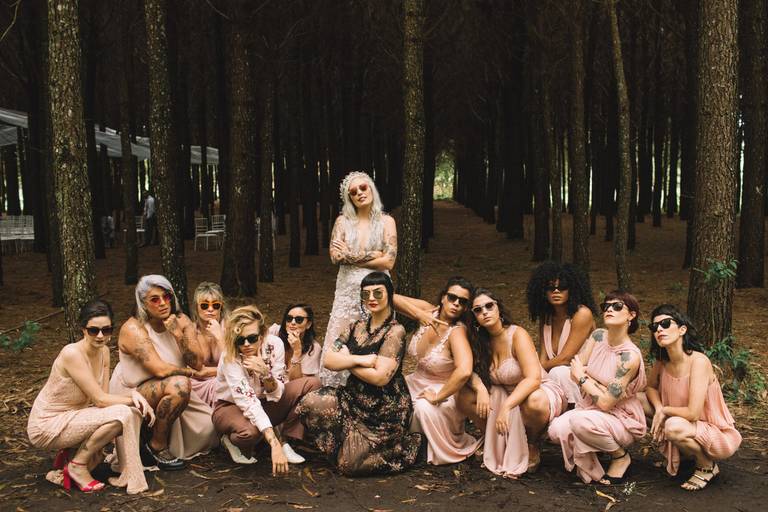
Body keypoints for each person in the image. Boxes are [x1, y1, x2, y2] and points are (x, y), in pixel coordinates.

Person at [297, 272, 422, 476]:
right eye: (366, 294)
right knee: (310, 403)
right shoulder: (354, 327)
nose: (371, 298)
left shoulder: (395, 331)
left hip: (385, 410)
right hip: (353, 398)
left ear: (389, 295)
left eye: (378, 293)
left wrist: (346, 360)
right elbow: (328, 360)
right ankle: (349, 449)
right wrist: (360, 360)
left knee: (350, 467)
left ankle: (405, 446)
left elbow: (380, 377)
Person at [27, 300, 155, 494]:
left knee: (131, 412)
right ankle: (77, 465)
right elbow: (100, 400)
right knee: (124, 411)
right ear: (83, 329)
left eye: (107, 330)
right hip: (47, 424)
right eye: (94, 330)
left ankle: (127, 472)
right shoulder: (72, 353)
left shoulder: (104, 352)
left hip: (75, 415)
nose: (101, 336)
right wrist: (134, 397)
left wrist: (133, 399)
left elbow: (104, 401)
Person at [109, 275, 217, 470]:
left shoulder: (181, 320)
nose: (163, 303)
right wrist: (192, 374)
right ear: (143, 303)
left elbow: (197, 362)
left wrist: (177, 334)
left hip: (171, 386)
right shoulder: (133, 328)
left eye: (167, 297)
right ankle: (157, 445)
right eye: (155, 299)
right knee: (180, 385)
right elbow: (159, 369)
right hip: (135, 391)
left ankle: (153, 433)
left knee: (210, 428)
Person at [457, 289, 566, 478]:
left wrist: (506, 406)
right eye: (478, 310)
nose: (485, 312)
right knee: (464, 396)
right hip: (502, 392)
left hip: (537, 389)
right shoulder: (478, 341)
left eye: (489, 306)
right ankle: (490, 437)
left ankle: (533, 443)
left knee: (535, 401)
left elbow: (533, 378)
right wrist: (480, 387)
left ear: (498, 308)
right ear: (474, 317)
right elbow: (466, 368)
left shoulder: (517, 334)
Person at [547, 291, 647, 485]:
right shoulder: (598, 336)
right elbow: (574, 368)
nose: (609, 309)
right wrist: (599, 386)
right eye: (606, 306)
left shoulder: (629, 357)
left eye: (617, 306)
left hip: (622, 417)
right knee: (556, 430)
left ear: (631, 315)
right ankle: (594, 448)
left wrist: (584, 377)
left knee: (579, 422)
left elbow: (606, 403)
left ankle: (620, 456)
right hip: (591, 407)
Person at [213, 305, 321, 470]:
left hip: (265, 401)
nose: (246, 344)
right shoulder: (229, 356)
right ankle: (228, 440)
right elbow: (248, 401)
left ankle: (286, 439)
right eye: (240, 340)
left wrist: (265, 373)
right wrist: (274, 444)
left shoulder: (274, 344)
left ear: (262, 333)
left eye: (252, 338)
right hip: (230, 406)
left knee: (312, 384)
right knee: (250, 433)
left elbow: (277, 394)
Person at [645, 304, 741, 491]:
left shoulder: (698, 362)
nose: (659, 330)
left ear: (682, 330)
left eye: (665, 324)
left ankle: (706, 466)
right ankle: (683, 456)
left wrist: (665, 410)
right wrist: (658, 408)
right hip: (681, 422)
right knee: (638, 402)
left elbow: (693, 413)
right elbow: (650, 387)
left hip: (712, 432)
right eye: (654, 327)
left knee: (673, 426)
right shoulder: (662, 361)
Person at [319, 171, 397, 387]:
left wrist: (351, 256)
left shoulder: (387, 221)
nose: (359, 193)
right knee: (342, 336)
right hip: (346, 293)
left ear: (371, 188)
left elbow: (389, 261)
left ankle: (371, 384)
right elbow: (336, 257)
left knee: (375, 335)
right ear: (349, 198)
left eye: (363, 187)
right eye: (353, 192)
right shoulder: (342, 222)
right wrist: (374, 255)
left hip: (377, 289)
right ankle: (338, 387)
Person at [393, 276, 481, 465]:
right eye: (452, 297)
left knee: (423, 407)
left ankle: (424, 448)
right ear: (443, 297)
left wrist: (438, 397)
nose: (456, 303)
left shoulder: (457, 332)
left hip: (444, 388)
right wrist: (418, 314)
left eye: (462, 302)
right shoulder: (429, 311)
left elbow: (464, 371)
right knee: (388, 395)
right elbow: (390, 298)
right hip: (415, 380)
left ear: (466, 308)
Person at [526, 262, 597, 406]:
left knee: (558, 372)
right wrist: (536, 371)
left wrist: (537, 370)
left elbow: (566, 358)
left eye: (562, 287)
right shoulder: (546, 317)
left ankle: (573, 410)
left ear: (572, 289)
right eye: (550, 288)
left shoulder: (581, 314)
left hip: (584, 376)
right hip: (554, 375)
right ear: (543, 291)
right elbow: (543, 355)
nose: (556, 291)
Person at [189, 282, 227, 408]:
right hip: (197, 384)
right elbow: (188, 368)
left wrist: (219, 337)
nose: (210, 309)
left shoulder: (229, 328)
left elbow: (235, 364)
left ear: (221, 307)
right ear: (196, 307)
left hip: (224, 379)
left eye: (215, 305)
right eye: (205, 305)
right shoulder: (191, 331)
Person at [267, 303, 322, 381]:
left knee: (313, 382)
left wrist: (297, 351)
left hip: (292, 385)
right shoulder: (274, 332)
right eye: (289, 318)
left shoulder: (313, 349)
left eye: (299, 319)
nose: (292, 322)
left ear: (308, 324)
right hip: (269, 381)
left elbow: (298, 382)